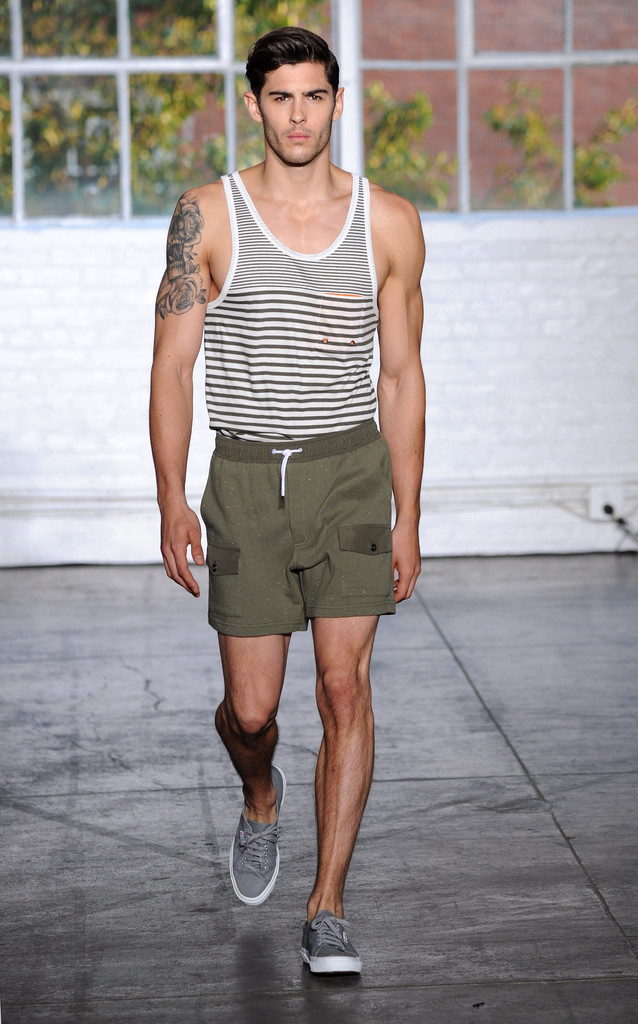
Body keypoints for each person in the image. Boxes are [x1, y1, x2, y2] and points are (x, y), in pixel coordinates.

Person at [149, 26, 425, 975]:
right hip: (244, 481)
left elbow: (402, 375)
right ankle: (259, 794)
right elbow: (173, 368)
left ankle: (328, 906)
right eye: (280, 97)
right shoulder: (206, 216)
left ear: (338, 103)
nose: (298, 116)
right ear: (254, 104)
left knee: (346, 688)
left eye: (314, 96)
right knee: (252, 710)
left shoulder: (389, 221)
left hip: (348, 471)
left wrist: (410, 513)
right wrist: (171, 499)